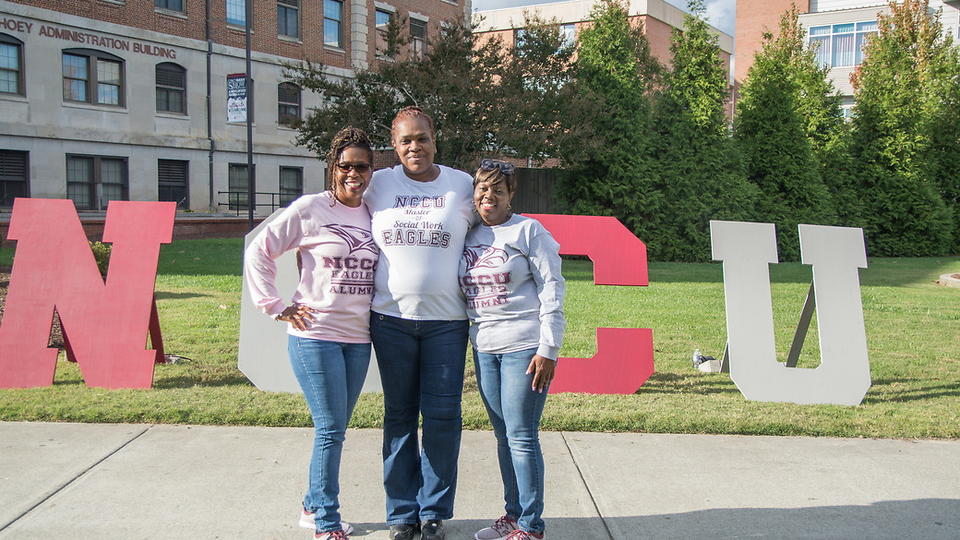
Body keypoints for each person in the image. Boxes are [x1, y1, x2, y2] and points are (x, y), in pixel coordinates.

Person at [244, 127, 377, 540]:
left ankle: (311, 502)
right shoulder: (311, 208)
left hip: (358, 339)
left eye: (361, 166)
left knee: (337, 425)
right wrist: (276, 306)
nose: (353, 173)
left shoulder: (375, 212)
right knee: (330, 428)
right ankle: (325, 520)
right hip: (315, 334)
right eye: (345, 166)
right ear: (332, 168)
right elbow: (260, 250)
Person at [363, 107, 476, 540]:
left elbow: (492, 228)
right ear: (394, 145)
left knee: (444, 416)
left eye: (422, 138)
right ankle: (400, 514)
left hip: (448, 323)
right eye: (406, 140)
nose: (415, 147)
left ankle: (433, 512)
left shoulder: (461, 185)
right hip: (390, 321)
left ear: (435, 138)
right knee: (399, 416)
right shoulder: (379, 185)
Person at [460, 159, 565, 540]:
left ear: (511, 195)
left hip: (525, 347)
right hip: (484, 347)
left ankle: (531, 526)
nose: (489, 197)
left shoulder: (528, 231)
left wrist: (549, 348)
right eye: (482, 190)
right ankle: (513, 515)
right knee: (503, 436)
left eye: (497, 191)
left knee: (522, 435)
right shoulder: (469, 233)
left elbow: (553, 287)